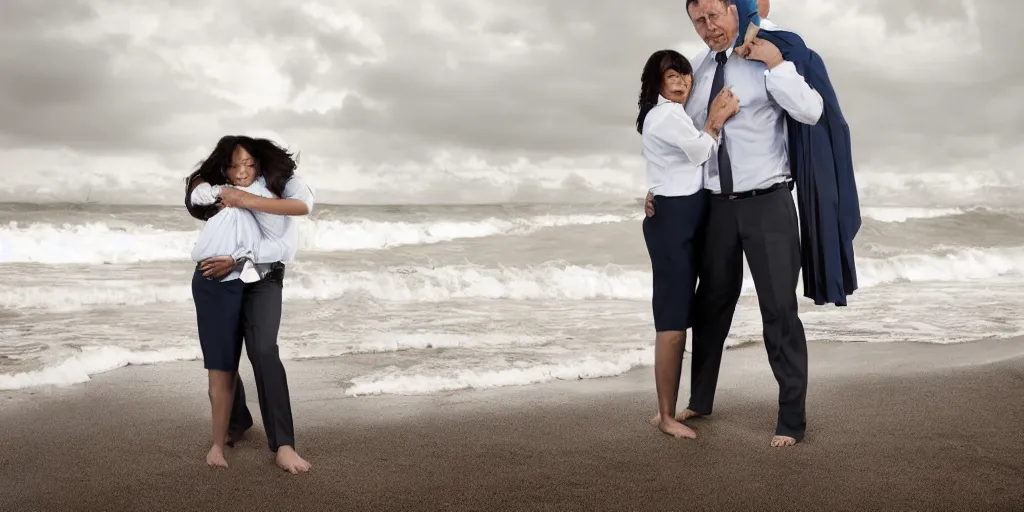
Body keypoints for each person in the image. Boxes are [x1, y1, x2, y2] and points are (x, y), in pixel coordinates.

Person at [646, 0, 827, 448]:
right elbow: (685, 141)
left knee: (778, 312)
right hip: (715, 207)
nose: (709, 28)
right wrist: (658, 187)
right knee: (710, 308)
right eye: (698, 21)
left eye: (714, 16)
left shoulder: (767, 55)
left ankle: (791, 420)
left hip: (768, 202)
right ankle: (700, 399)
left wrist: (776, 62)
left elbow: (811, 110)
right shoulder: (699, 72)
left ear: (734, 9)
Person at [185, 135, 315, 473]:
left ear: (259, 162)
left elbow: (294, 225)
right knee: (225, 350)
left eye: (248, 163)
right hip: (228, 275)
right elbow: (196, 190)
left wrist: (244, 201)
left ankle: (284, 445)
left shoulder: (278, 181)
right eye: (234, 164)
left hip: (265, 277)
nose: (241, 170)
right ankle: (237, 419)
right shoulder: (224, 188)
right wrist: (211, 189)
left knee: (262, 349)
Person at [636, 49, 739, 438]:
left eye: (685, 75)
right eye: (671, 76)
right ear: (656, 82)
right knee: (673, 323)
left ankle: (672, 407)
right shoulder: (663, 115)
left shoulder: (674, 114)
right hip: (674, 222)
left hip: (686, 213)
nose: (680, 82)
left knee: (683, 314)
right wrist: (715, 121)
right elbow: (698, 152)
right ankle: (664, 417)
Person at [190, 173, 290, 284]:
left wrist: (235, 260)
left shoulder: (240, 209)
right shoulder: (230, 213)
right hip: (225, 277)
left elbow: (279, 247)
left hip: (259, 275)